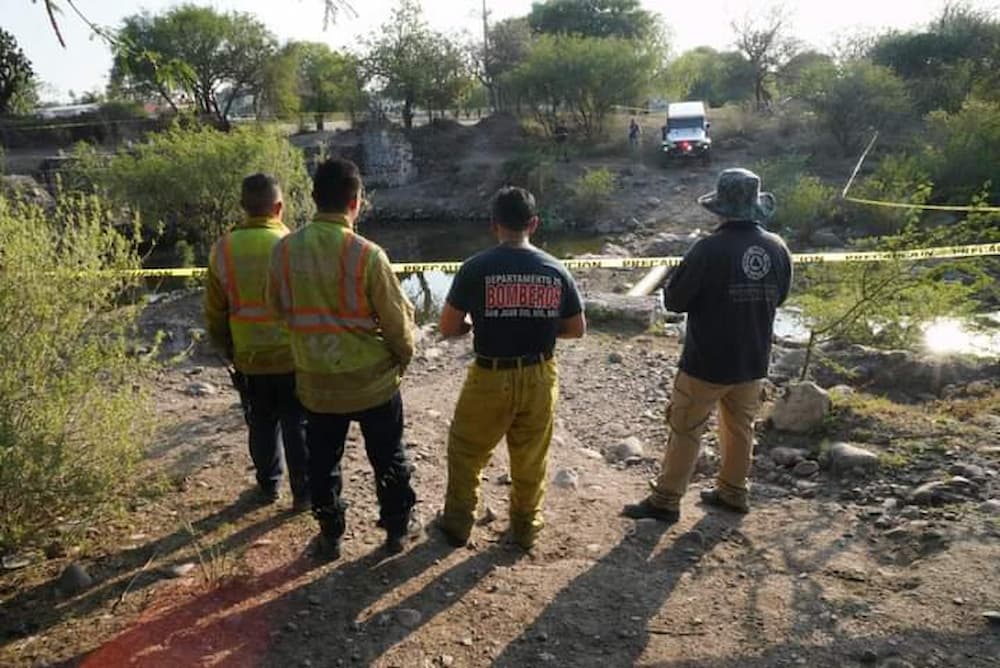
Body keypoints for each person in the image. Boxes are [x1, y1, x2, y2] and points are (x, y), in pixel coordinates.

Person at [265, 158, 418, 559]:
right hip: (373, 384)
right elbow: (398, 324)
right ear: (356, 201)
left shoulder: (283, 251)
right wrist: (402, 358)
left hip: (316, 384)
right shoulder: (367, 254)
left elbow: (277, 308)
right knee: (388, 457)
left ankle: (331, 535)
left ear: (314, 199)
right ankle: (397, 531)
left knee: (322, 463)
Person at [623, 168, 792, 523]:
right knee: (741, 428)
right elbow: (780, 298)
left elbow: (675, 301)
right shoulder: (778, 248)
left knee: (686, 428)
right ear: (755, 207)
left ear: (721, 209)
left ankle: (666, 500)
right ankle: (733, 492)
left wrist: (676, 278)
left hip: (707, 360)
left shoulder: (707, 249)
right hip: (753, 359)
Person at [438, 187, 586, 550]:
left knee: (467, 451)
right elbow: (576, 328)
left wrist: (472, 327)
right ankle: (524, 528)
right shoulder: (555, 269)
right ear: (533, 224)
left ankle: (458, 524)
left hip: (490, 375)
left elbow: (447, 327)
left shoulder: (475, 268)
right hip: (539, 374)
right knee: (531, 455)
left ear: (494, 225)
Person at [204, 173, 309, 510]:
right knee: (297, 424)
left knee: (261, 423)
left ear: (243, 208)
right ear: (278, 207)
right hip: (293, 356)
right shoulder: (294, 245)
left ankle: (268, 486)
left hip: (248, 356)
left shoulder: (223, 248)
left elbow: (215, 310)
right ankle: (304, 494)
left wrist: (226, 348)